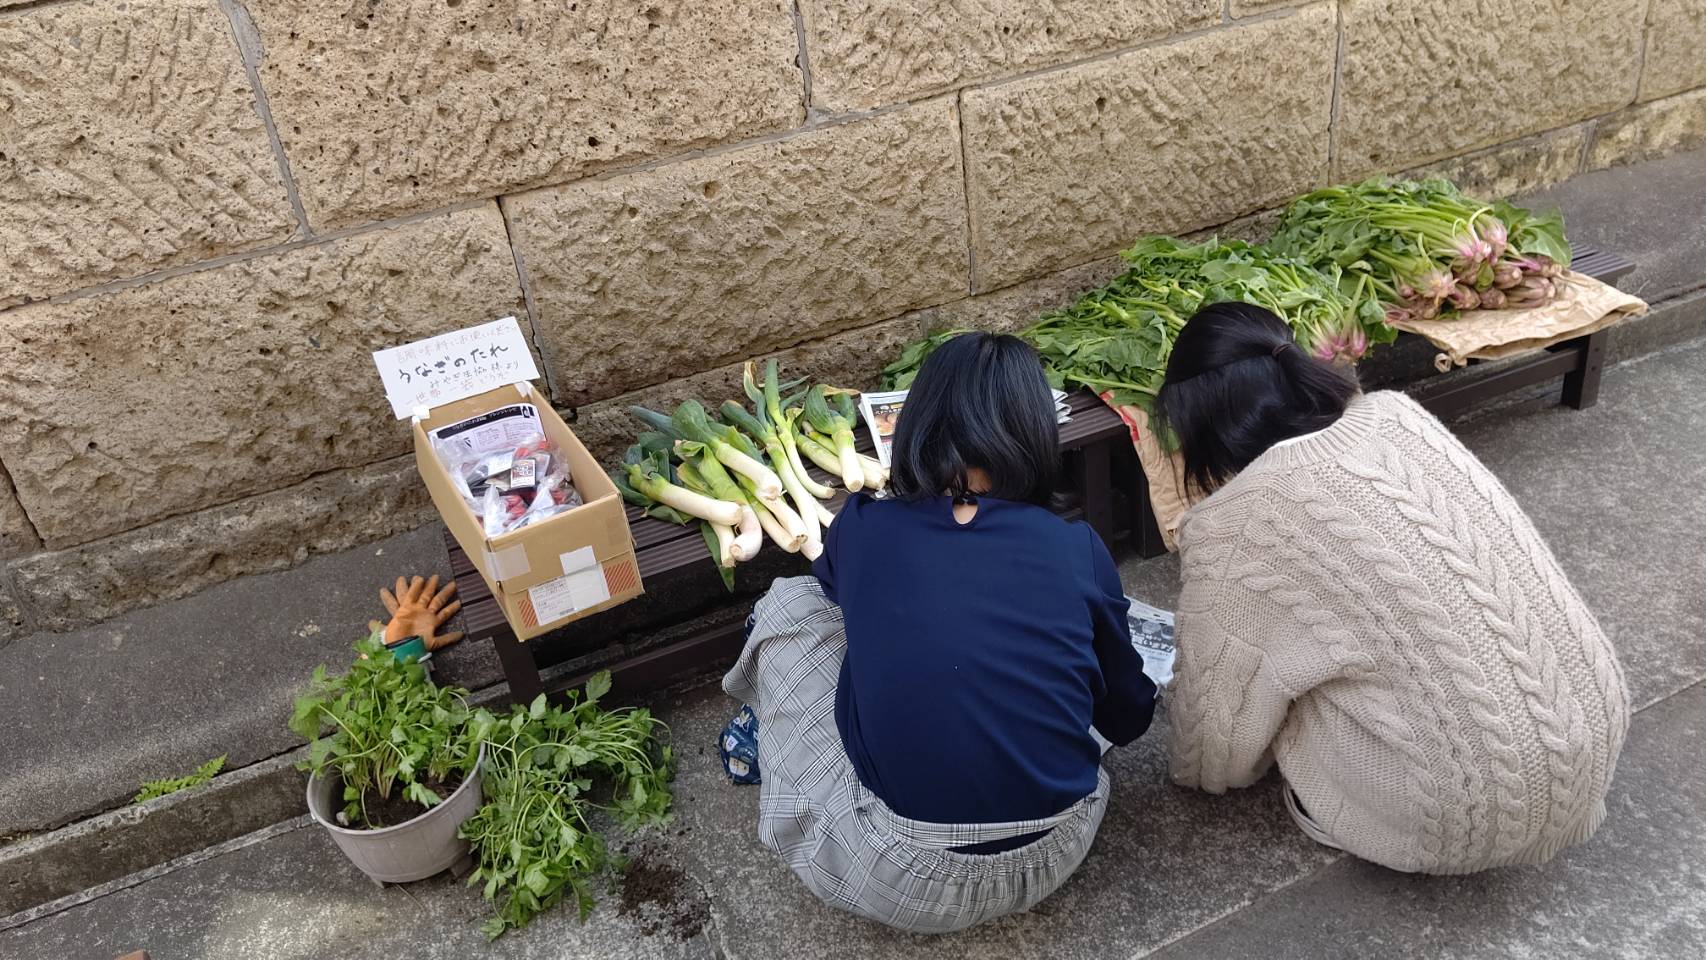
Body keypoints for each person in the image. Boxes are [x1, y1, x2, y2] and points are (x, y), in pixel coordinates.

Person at [1153, 301, 1630, 874]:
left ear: (1193, 422)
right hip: (1593, 738)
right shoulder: (1395, 416)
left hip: (1458, 816)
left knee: (1271, 681)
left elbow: (1214, 749)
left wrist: (1189, 765)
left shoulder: (1232, 525)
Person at [723, 332, 1157, 932]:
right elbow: (1128, 718)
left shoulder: (867, 526)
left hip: (895, 873)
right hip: (1060, 845)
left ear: (917, 427)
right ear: (1035, 434)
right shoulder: (1073, 546)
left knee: (791, 604)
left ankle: (762, 745)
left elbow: (833, 593)